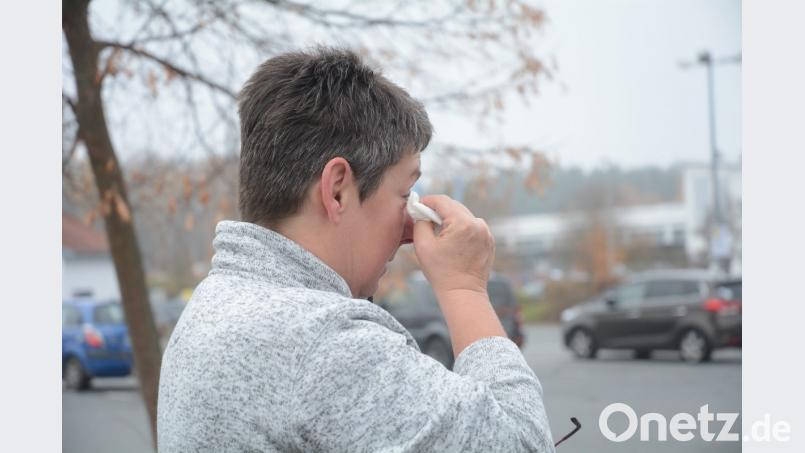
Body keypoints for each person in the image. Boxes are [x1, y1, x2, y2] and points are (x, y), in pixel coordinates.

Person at [157, 47, 555, 452]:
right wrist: (464, 287)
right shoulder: (324, 343)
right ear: (337, 190)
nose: (409, 228)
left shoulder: (216, 303)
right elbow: (522, 443)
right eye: (404, 195)